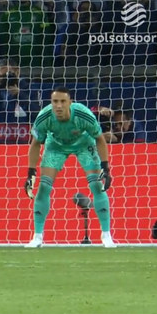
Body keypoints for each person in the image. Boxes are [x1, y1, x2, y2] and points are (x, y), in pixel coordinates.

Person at [24, 87, 116, 248]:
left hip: (83, 143)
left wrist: (105, 167)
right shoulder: (44, 117)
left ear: (70, 103)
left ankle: (106, 235)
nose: (58, 106)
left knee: (96, 185)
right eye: (55, 102)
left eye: (62, 101)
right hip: (55, 146)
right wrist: (31, 172)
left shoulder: (83, 114)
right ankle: (37, 237)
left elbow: (100, 139)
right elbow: (36, 143)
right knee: (44, 186)